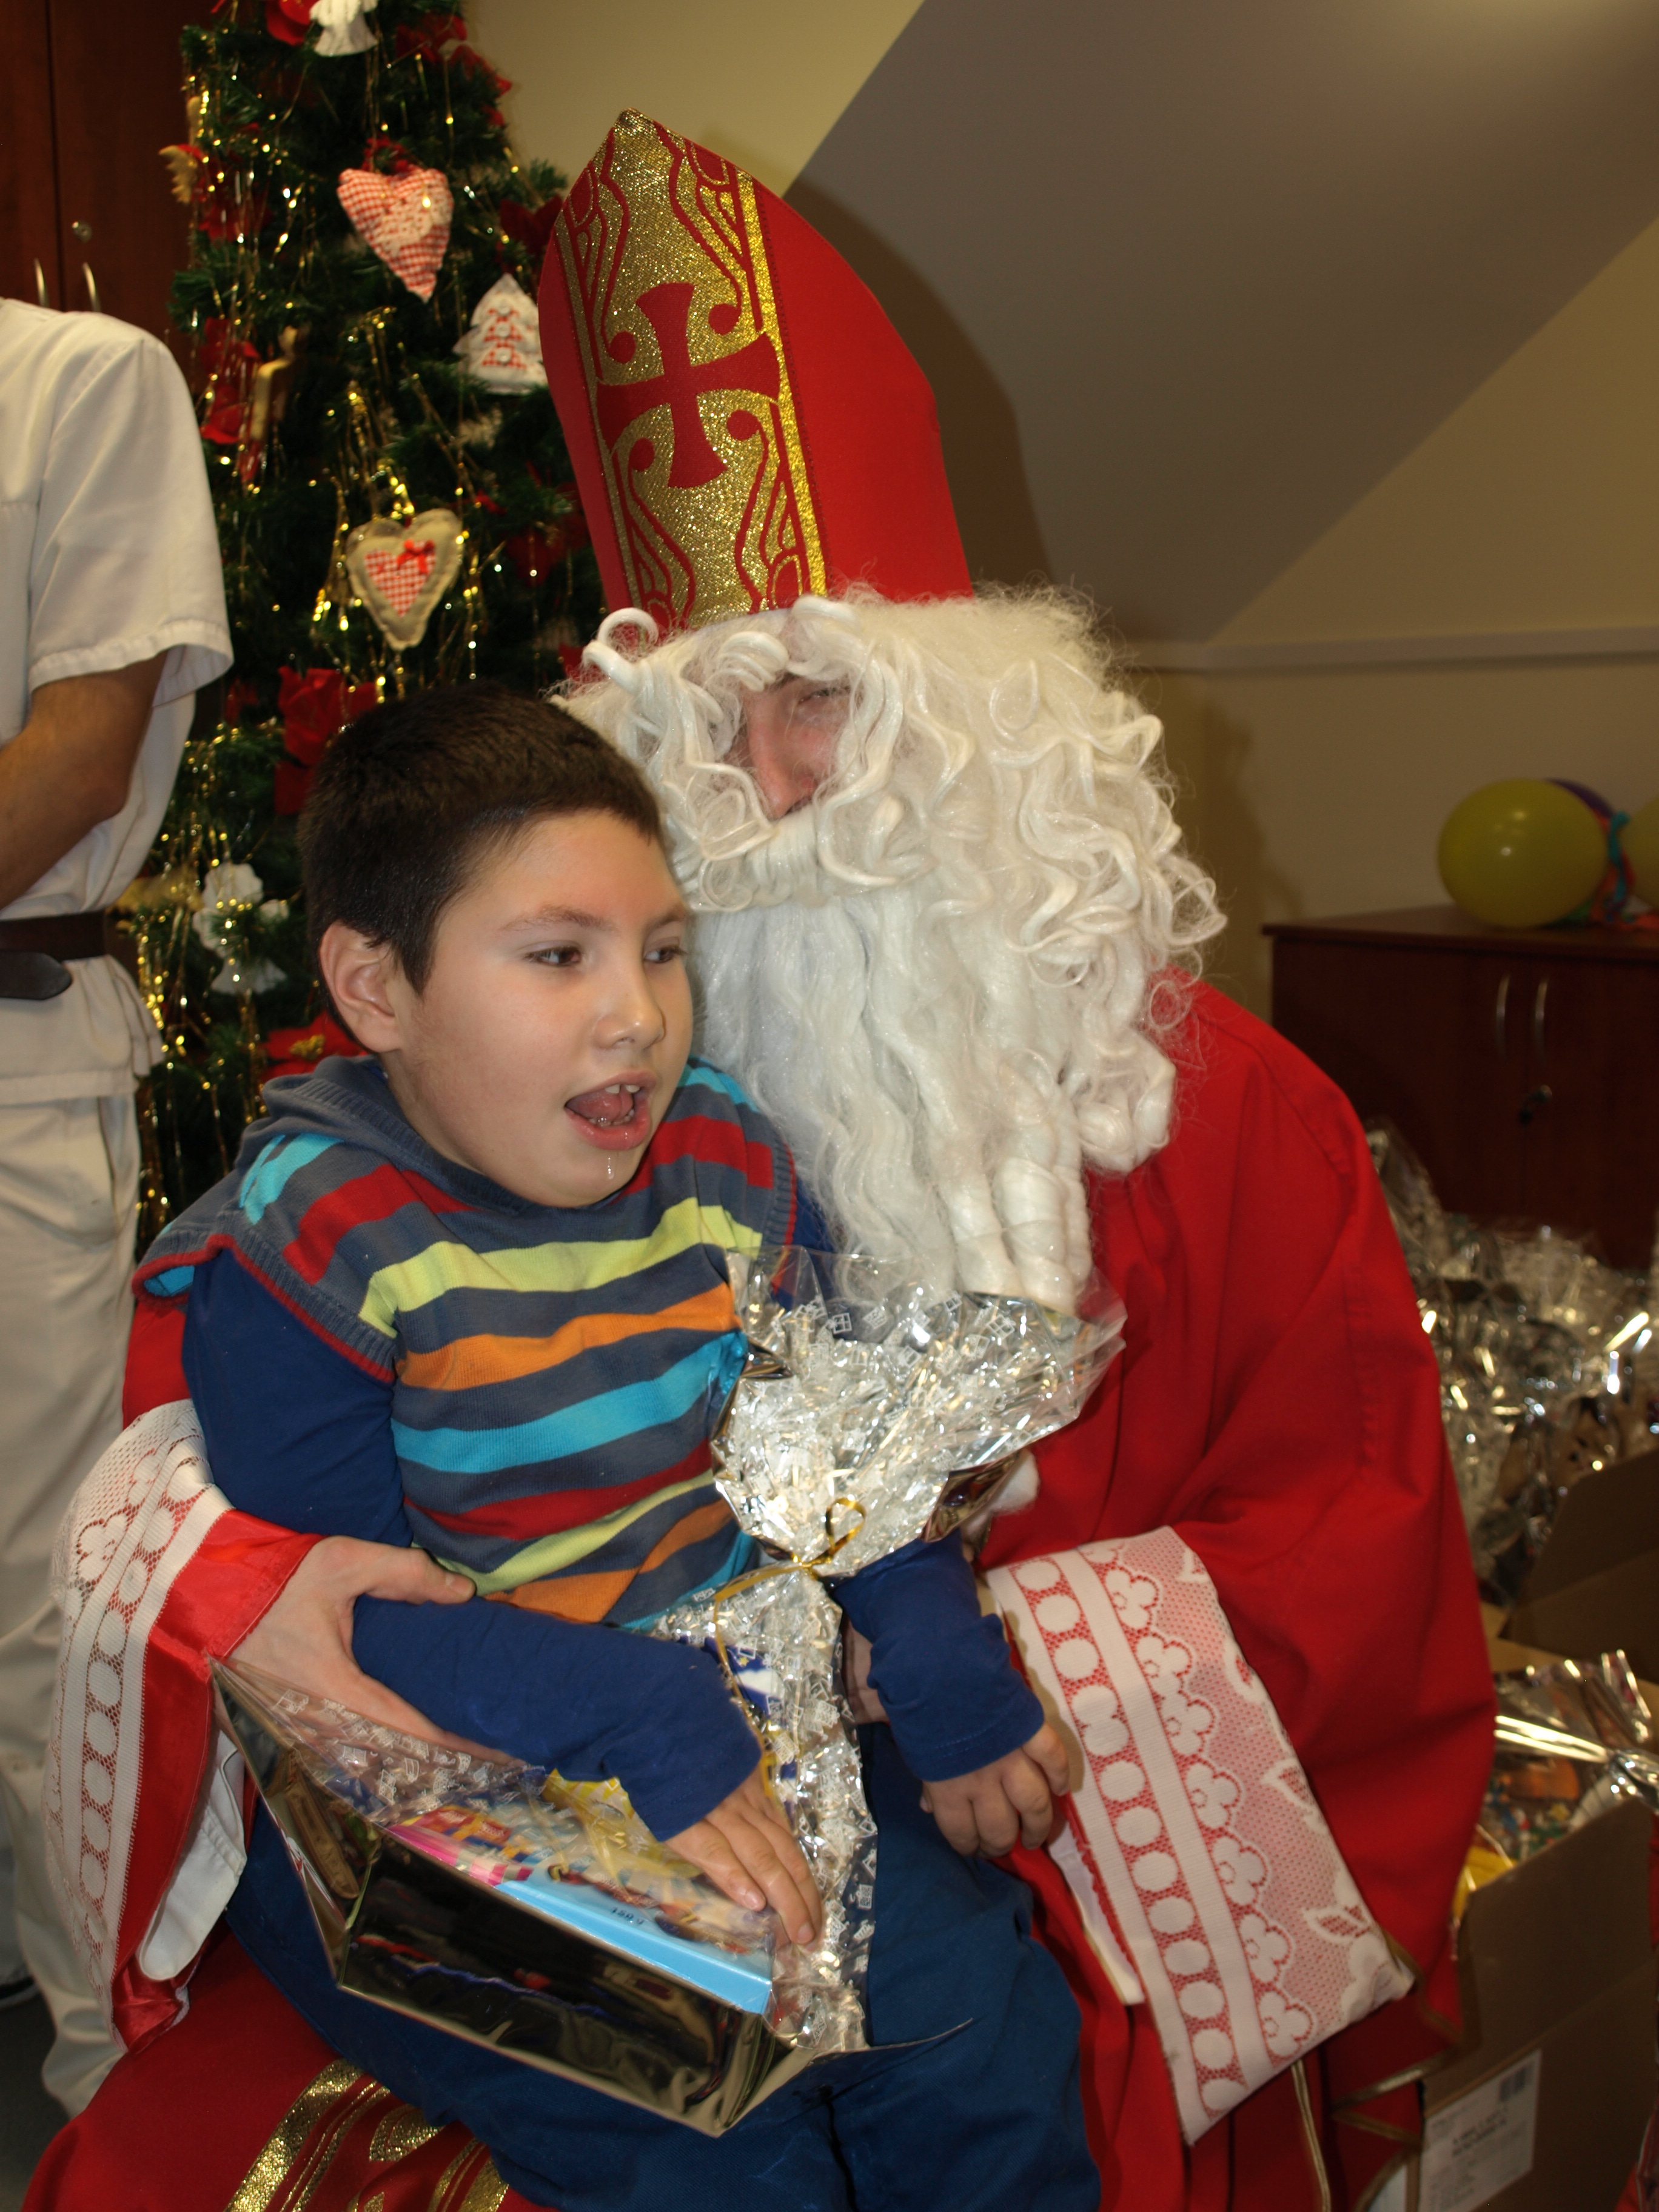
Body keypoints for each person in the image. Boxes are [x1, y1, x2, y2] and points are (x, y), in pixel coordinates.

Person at [34, 113, 1492, 2212]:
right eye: (713, 719)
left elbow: (1356, 1547)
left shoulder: (1222, 1106)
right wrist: (251, 1593)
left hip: (1021, 1805)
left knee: (972, 2077)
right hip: (543, 1772)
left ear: (988, 724)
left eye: (825, 701)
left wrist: (938, 1660)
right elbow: (222, 1416)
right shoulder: (498, 1085)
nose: (775, 785)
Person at [89, 679, 1092, 2211]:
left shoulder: (719, 1154)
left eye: (662, 950)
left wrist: (927, 1631)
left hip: (733, 1723)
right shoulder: (305, 1254)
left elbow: (828, 1439)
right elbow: (342, 1621)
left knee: (978, 2035)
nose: (637, 1012)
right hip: (438, 1781)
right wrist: (641, 1717)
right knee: (705, 2136)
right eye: (560, 955)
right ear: (375, 987)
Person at [0, 297, 230, 2115]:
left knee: (31, 1591)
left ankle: (105, 2076)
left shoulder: (75, 380)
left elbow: (78, 757)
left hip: (8, 1058)